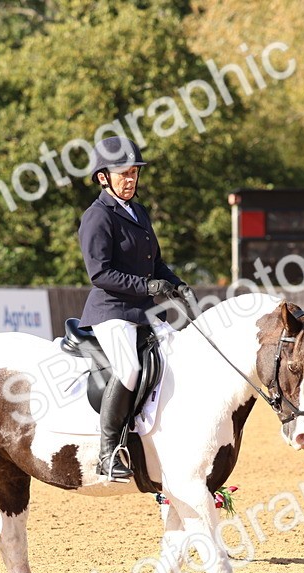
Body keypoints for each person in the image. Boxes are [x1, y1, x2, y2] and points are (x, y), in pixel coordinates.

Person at [78, 137, 196, 482]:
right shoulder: (97, 216)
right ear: (103, 177)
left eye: (133, 173)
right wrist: (147, 287)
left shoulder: (138, 212)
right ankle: (108, 452)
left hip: (144, 311)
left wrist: (177, 284)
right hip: (112, 310)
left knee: (180, 355)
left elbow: (155, 262)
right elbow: (100, 273)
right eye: (123, 174)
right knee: (128, 369)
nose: (130, 179)